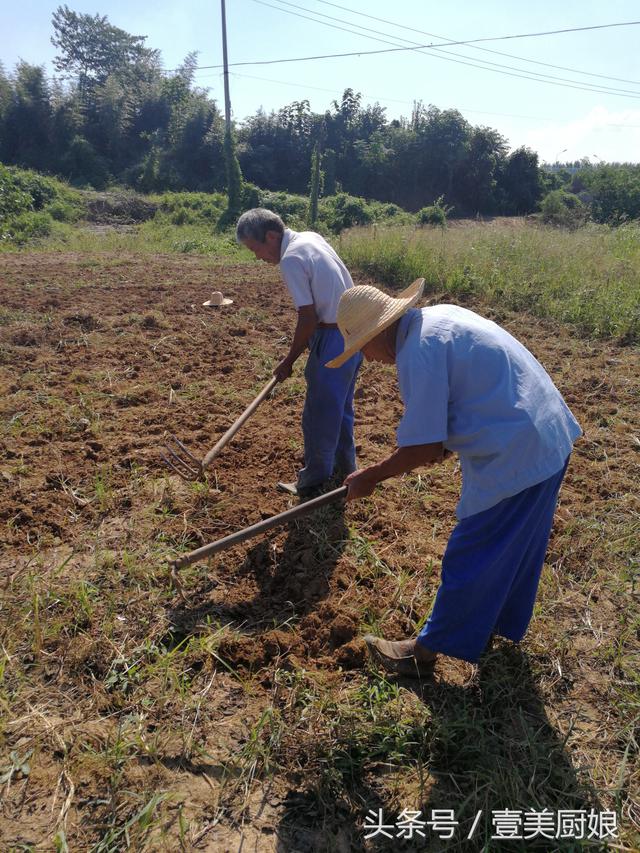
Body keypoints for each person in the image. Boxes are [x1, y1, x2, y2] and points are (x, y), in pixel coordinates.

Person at [326, 278, 582, 677]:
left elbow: (425, 448)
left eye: (363, 349)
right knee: (516, 545)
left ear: (379, 332)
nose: (369, 360)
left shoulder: (418, 351)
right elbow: (459, 406)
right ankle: (496, 624)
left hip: (519, 449)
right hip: (549, 433)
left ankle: (421, 653)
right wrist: (438, 445)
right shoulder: (439, 320)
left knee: (471, 550)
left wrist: (372, 476)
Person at [236, 208, 362, 498]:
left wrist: (288, 360)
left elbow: (307, 317)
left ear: (271, 236)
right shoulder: (310, 238)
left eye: (256, 249)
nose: (258, 256)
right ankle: (346, 467)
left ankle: (314, 481)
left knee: (318, 413)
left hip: (332, 336)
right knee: (340, 407)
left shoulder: (291, 258)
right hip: (354, 332)